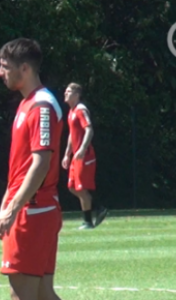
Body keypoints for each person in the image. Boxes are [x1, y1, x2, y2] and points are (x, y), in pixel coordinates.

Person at [0, 38, 63, 300]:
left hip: (32, 211)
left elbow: (40, 163)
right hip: (33, 209)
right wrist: (6, 204)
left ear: (25, 68)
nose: (0, 73)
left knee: (21, 295)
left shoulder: (41, 106)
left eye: (4, 66)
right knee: (43, 294)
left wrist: (12, 209)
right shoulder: (28, 103)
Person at [62, 82, 108, 229]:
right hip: (76, 156)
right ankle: (98, 208)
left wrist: (82, 148)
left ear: (76, 95)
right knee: (72, 187)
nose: (65, 94)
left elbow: (89, 130)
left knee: (81, 187)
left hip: (85, 155)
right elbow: (72, 134)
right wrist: (67, 154)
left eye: (68, 92)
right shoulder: (71, 112)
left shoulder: (81, 110)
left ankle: (88, 221)